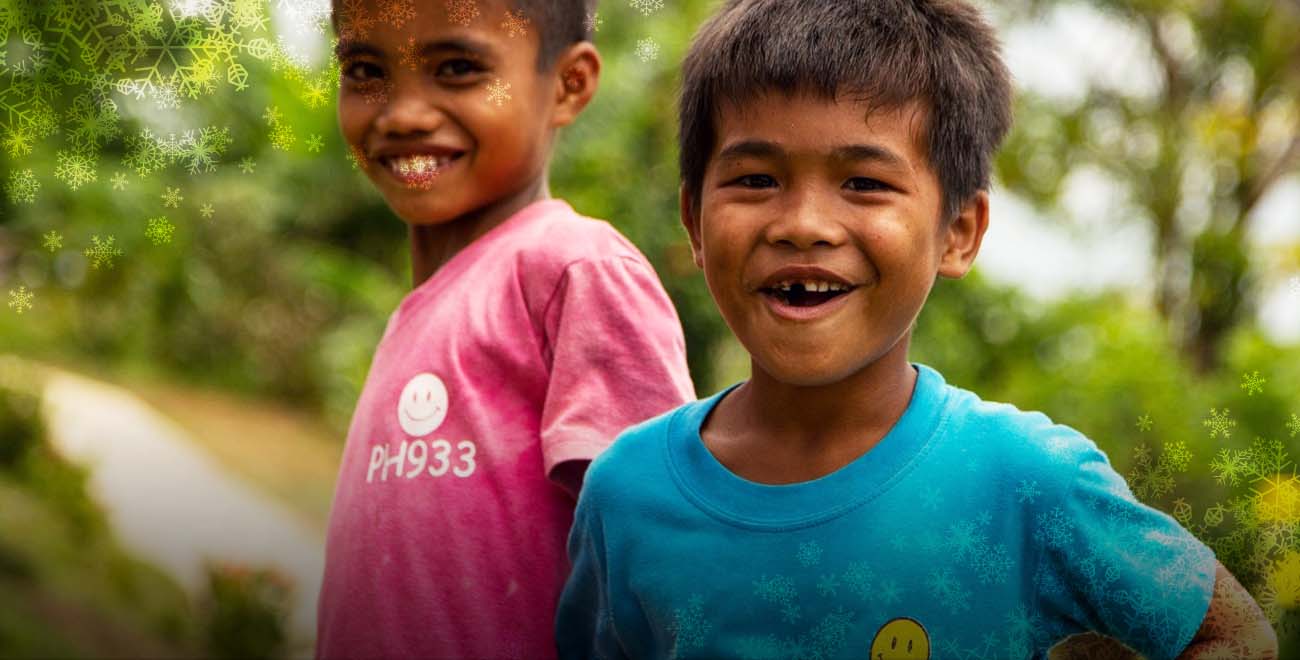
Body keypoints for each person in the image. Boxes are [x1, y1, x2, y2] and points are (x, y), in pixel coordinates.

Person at [554, 0, 1277, 658]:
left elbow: (1235, 634)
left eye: (864, 183)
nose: (803, 224)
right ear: (694, 221)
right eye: (755, 179)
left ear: (958, 231)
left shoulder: (1024, 479)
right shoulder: (628, 493)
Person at [315, 1, 695, 658]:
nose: (402, 113)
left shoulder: (574, 270)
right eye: (366, 70)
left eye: (457, 67)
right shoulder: (425, 305)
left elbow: (665, 559)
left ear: (568, 85)